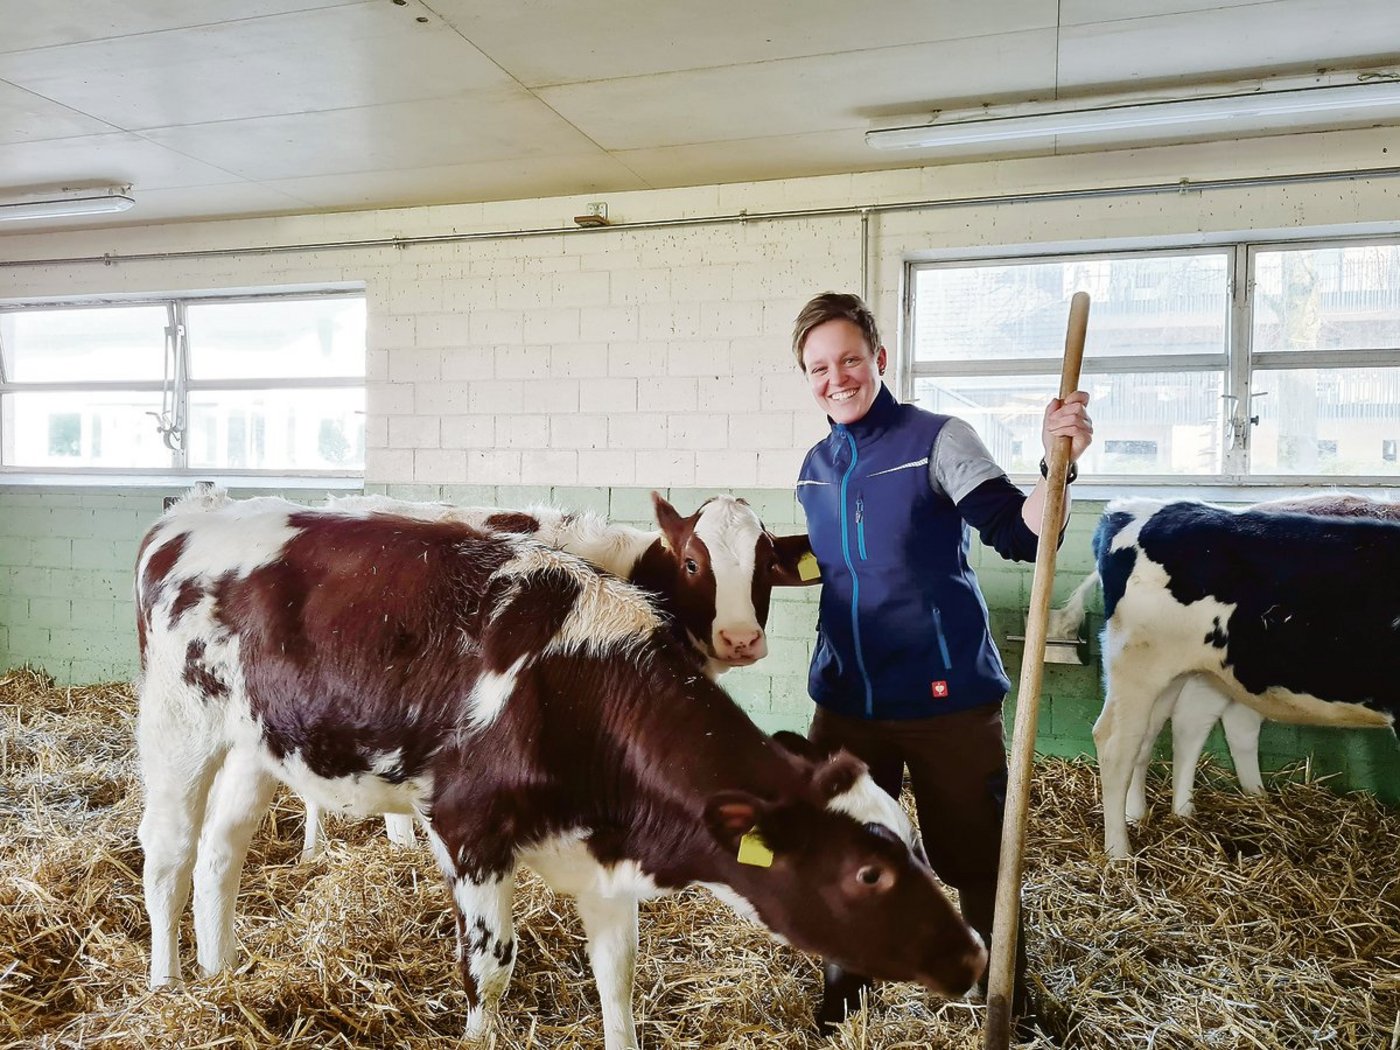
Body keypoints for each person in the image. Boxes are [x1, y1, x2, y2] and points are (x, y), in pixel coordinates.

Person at [790, 291, 1093, 1031]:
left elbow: (1021, 533)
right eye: (819, 367)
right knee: (843, 852)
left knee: (973, 855)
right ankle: (849, 982)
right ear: (808, 377)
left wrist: (1060, 466)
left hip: (945, 699)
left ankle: (1000, 986)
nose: (838, 378)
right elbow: (829, 569)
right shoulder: (813, 468)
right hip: (846, 701)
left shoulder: (938, 440)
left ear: (879, 359)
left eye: (850, 359)